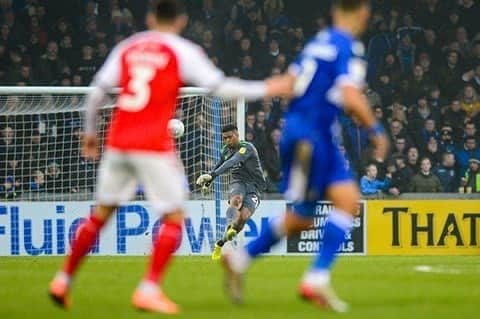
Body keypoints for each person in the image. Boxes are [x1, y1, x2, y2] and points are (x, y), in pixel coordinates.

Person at [48, 0, 287, 314]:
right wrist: (267, 86)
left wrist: (90, 134)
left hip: (118, 142)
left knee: (101, 215)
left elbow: (96, 93)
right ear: (182, 20)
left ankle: (63, 280)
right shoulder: (182, 50)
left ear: (150, 17)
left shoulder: (129, 47)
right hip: (153, 145)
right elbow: (221, 87)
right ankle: (148, 288)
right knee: (174, 218)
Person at [221, 0, 388, 312]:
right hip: (310, 136)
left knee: (335, 205)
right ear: (363, 14)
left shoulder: (318, 44)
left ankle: (246, 260)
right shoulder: (348, 48)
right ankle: (312, 278)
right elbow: (351, 94)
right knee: (304, 216)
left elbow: (290, 82)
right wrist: (376, 129)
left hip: (313, 133)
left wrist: (252, 88)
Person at [196, 124, 266, 260]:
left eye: (230, 137)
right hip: (238, 182)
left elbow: (233, 161)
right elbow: (220, 165)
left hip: (255, 187)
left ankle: (220, 243)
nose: (227, 141)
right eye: (225, 138)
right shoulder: (225, 150)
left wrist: (211, 174)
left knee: (243, 218)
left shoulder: (247, 148)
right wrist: (209, 180)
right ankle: (230, 225)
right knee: (236, 201)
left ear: (237, 135)